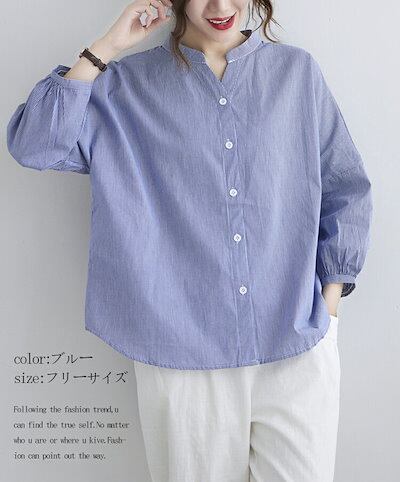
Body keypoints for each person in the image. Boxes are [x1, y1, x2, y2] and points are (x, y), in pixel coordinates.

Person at [6, 0, 373, 480]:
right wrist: (106, 47)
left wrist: (330, 304)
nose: (220, 7)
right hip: (182, 357)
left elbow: (346, 188)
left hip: (297, 343)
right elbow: (34, 146)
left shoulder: (296, 74)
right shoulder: (124, 87)